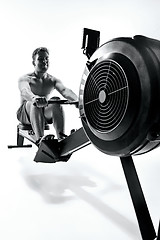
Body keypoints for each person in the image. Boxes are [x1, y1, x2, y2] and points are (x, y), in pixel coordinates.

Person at [17, 47, 78, 145]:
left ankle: (61, 138)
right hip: (25, 114)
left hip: (42, 114)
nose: (44, 61)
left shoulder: (52, 80)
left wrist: (77, 100)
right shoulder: (26, 79)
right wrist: (34, 98)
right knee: (33, 103)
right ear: (34, 62)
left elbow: (65, 90)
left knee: (55, 101)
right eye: (40, 59)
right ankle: (40, 140)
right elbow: (24, 91)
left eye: (46, 59)